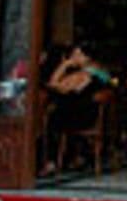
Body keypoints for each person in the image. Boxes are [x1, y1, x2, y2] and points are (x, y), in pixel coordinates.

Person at [39, 42, 113, 175]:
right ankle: (76, 157)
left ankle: (52, 161)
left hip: (82, 117)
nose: (74, 57)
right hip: (91, 115)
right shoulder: (102, 72)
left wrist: (64, 64)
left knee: (49, 120)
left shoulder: (85, 75)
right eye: (73, 54)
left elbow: (54, 84)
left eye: (77, 54)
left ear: (87, 58)